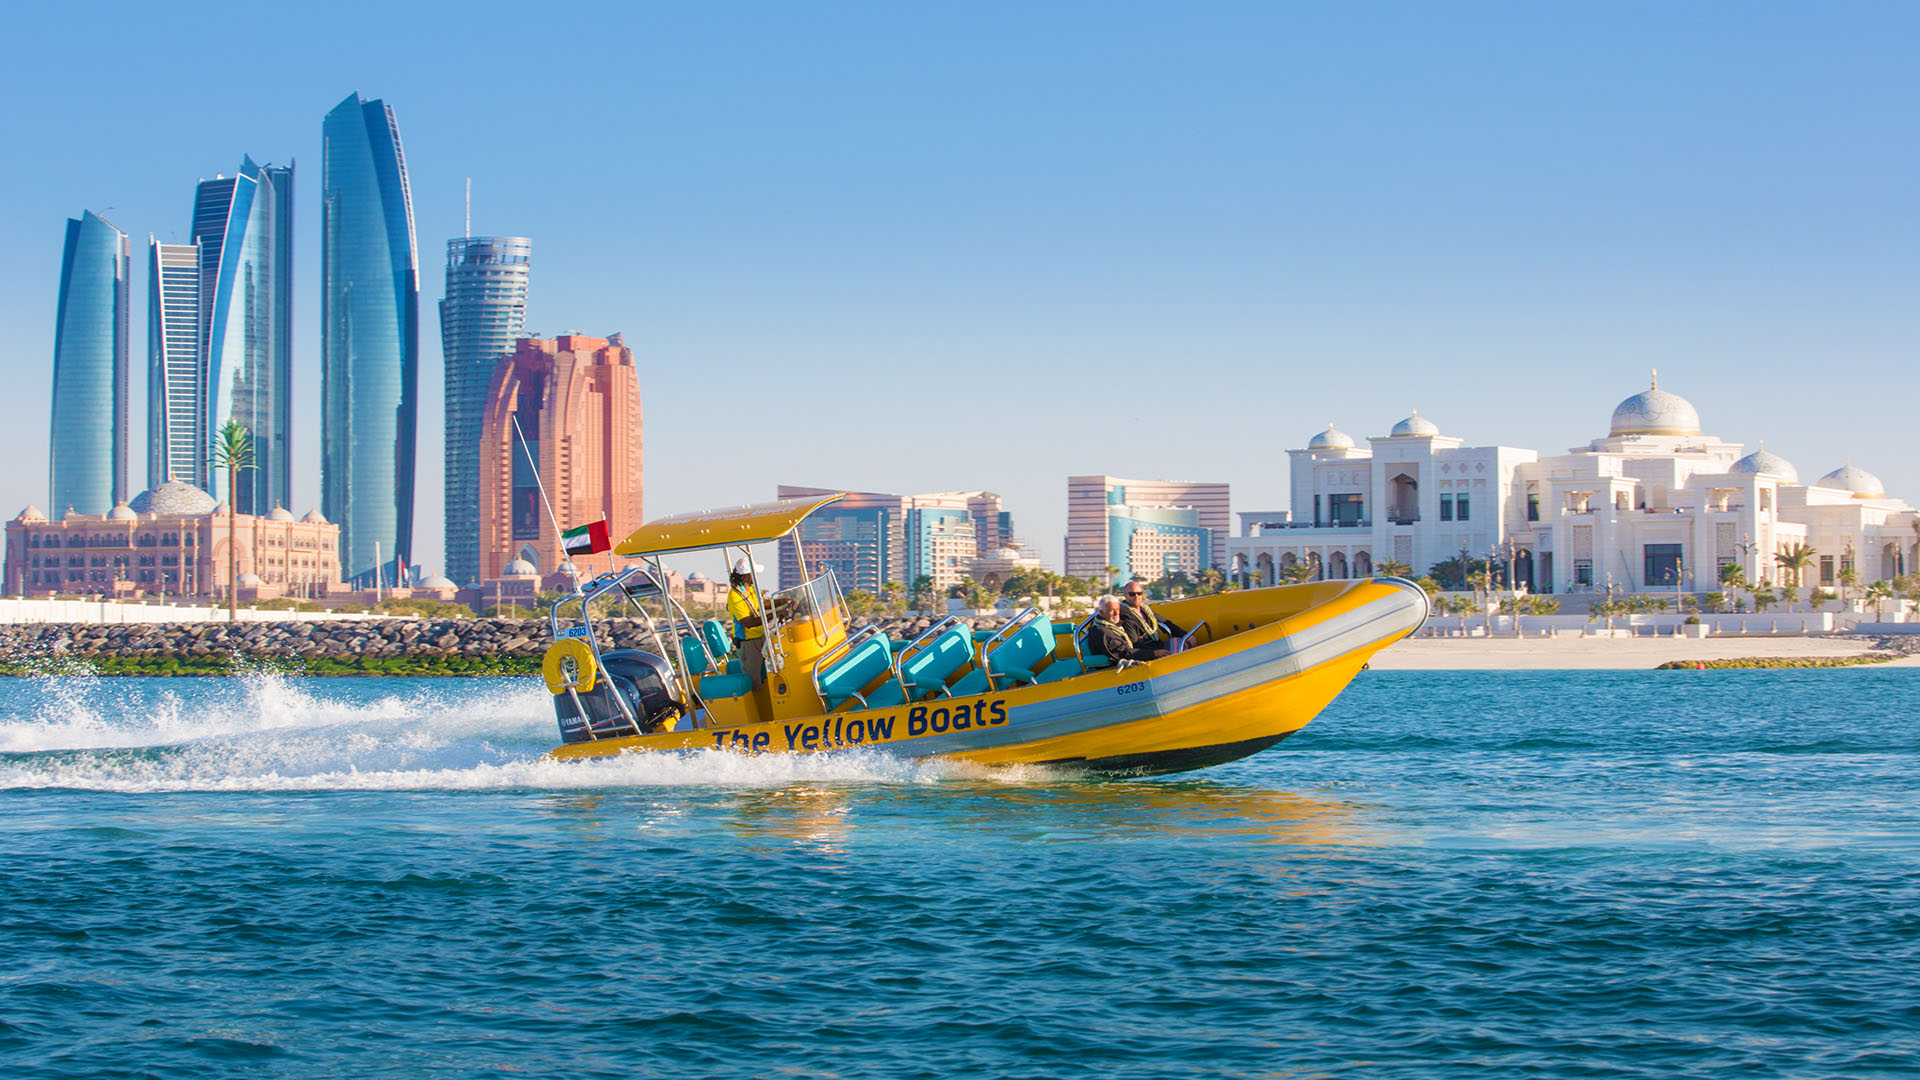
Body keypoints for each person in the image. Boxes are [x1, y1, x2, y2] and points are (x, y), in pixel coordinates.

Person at [1087, 595, 1168, 662]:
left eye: (1118, 609)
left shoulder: (1109, 623)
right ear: (1101, 612)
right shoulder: (1103, 632)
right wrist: (1154, 653)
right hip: (1116, 666)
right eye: (1111, 610)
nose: (1116, 613)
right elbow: (1124, 653)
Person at [726, 558, 768, 686]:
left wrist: (782, 602)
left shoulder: (751, 589)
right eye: (754, 572)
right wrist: (774, 615)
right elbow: (748, 622)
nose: (757, 575)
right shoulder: (735, 595)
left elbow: (760, 604)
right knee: (753, 680)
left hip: (761, 637)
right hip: (749, 642)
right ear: (746, 575)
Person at [1117, 583, 1184, 649]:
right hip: (1146, 651)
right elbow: (1134, 644)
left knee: (1184, 643)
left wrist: (1185, 635)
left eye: (1139, 593)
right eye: (1132, 594)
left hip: (1156, 645)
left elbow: (1165, 622)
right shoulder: (1125, 615)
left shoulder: (1145, 610)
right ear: (1125, 595)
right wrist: (1155, 653)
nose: (1136, 596)